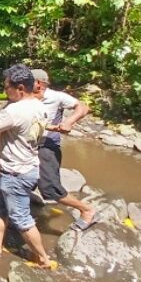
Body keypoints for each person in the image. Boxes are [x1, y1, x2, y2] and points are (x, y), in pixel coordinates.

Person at [0, 64, 52, 269]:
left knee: (21, 218)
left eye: (7, 87)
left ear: (20, 88)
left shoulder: (15, 111)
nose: (4, 91)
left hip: (16, 172)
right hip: (25, 166)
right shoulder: (39, 105)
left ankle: (43, 257)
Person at [31, 69, 96, 230]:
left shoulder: (56, 97)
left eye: (27, 80)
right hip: (28, 145)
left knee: (50, 189)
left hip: (47, 146)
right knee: (20, 178)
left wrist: (69, 121)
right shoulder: (26, 97)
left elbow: (83, 107)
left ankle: (87, 210)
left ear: (38, 84)